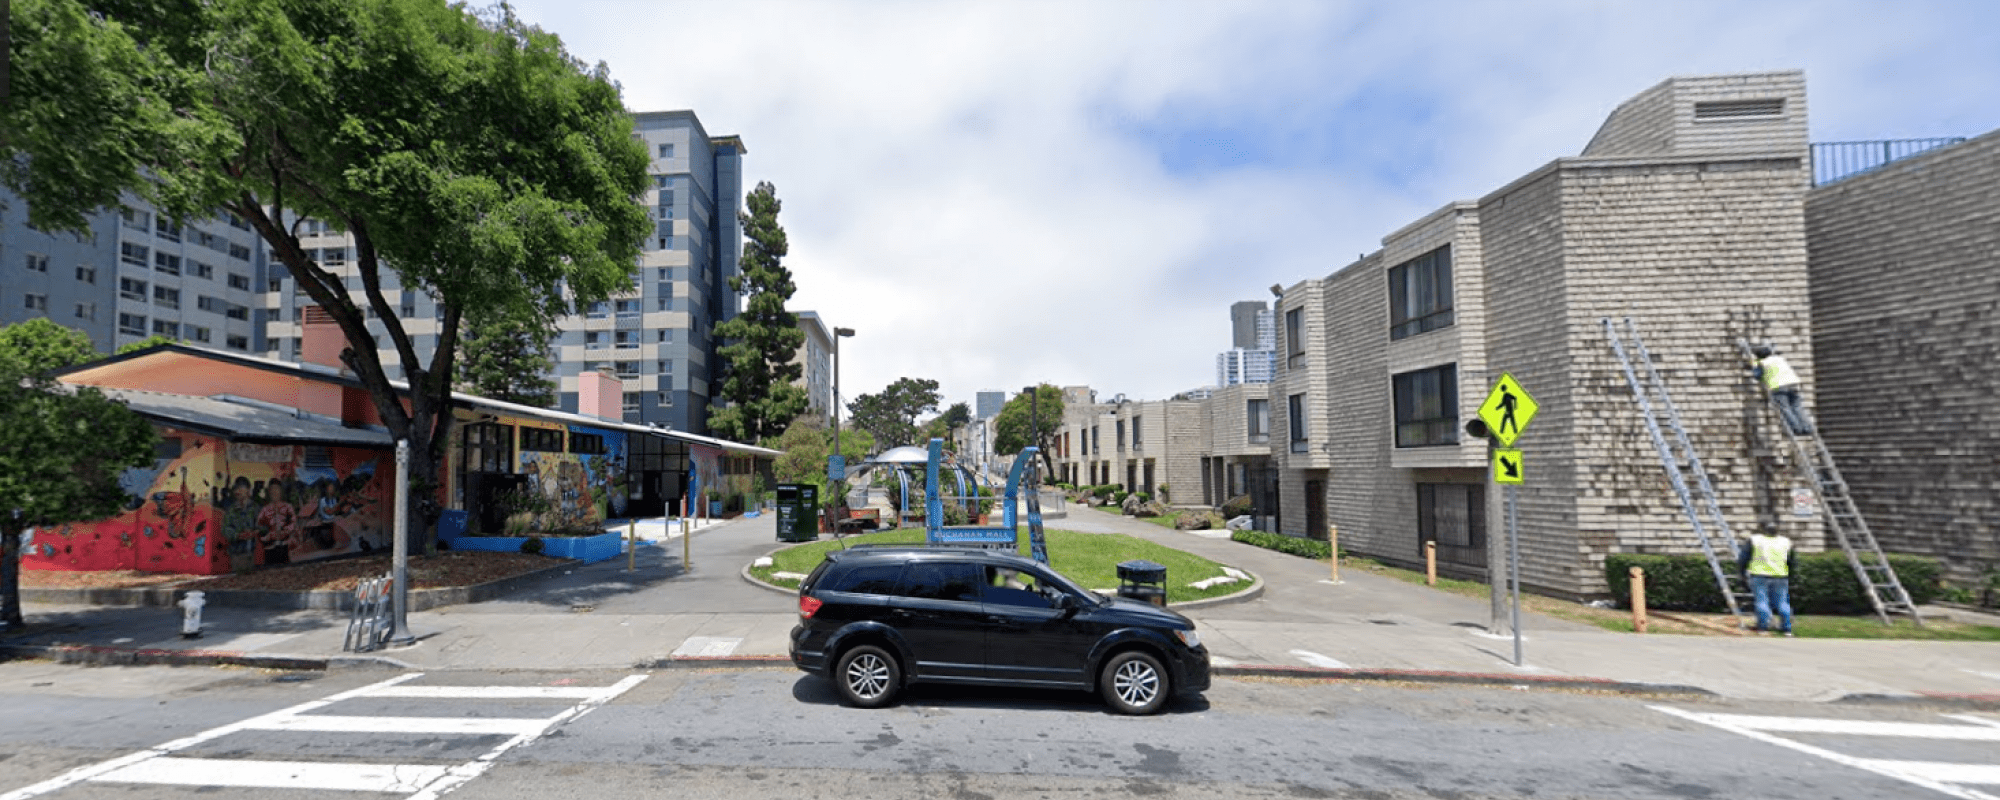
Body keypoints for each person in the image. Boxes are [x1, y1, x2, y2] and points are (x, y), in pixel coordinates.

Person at [1737, 528, 1798, 636]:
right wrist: (1790, 575)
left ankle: (1763, 627)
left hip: (1759, 575)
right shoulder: (1785, 541)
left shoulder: (1755, 540)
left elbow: (1743, 558)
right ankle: (1787, 629)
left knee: (1761, 601)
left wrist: (1741, 573)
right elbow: (1792, 561)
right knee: (1782, 603)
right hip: (1780, 575)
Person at [1750, 344, 1815, 436]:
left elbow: (1758, 376)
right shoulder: (1779, 359)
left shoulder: (1762, 363)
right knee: (1797, 407)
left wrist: (1754, 365)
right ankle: (1808, 428)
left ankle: (1796, 429)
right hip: (1794, 384)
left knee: (1785, 408)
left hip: (1779, 386)